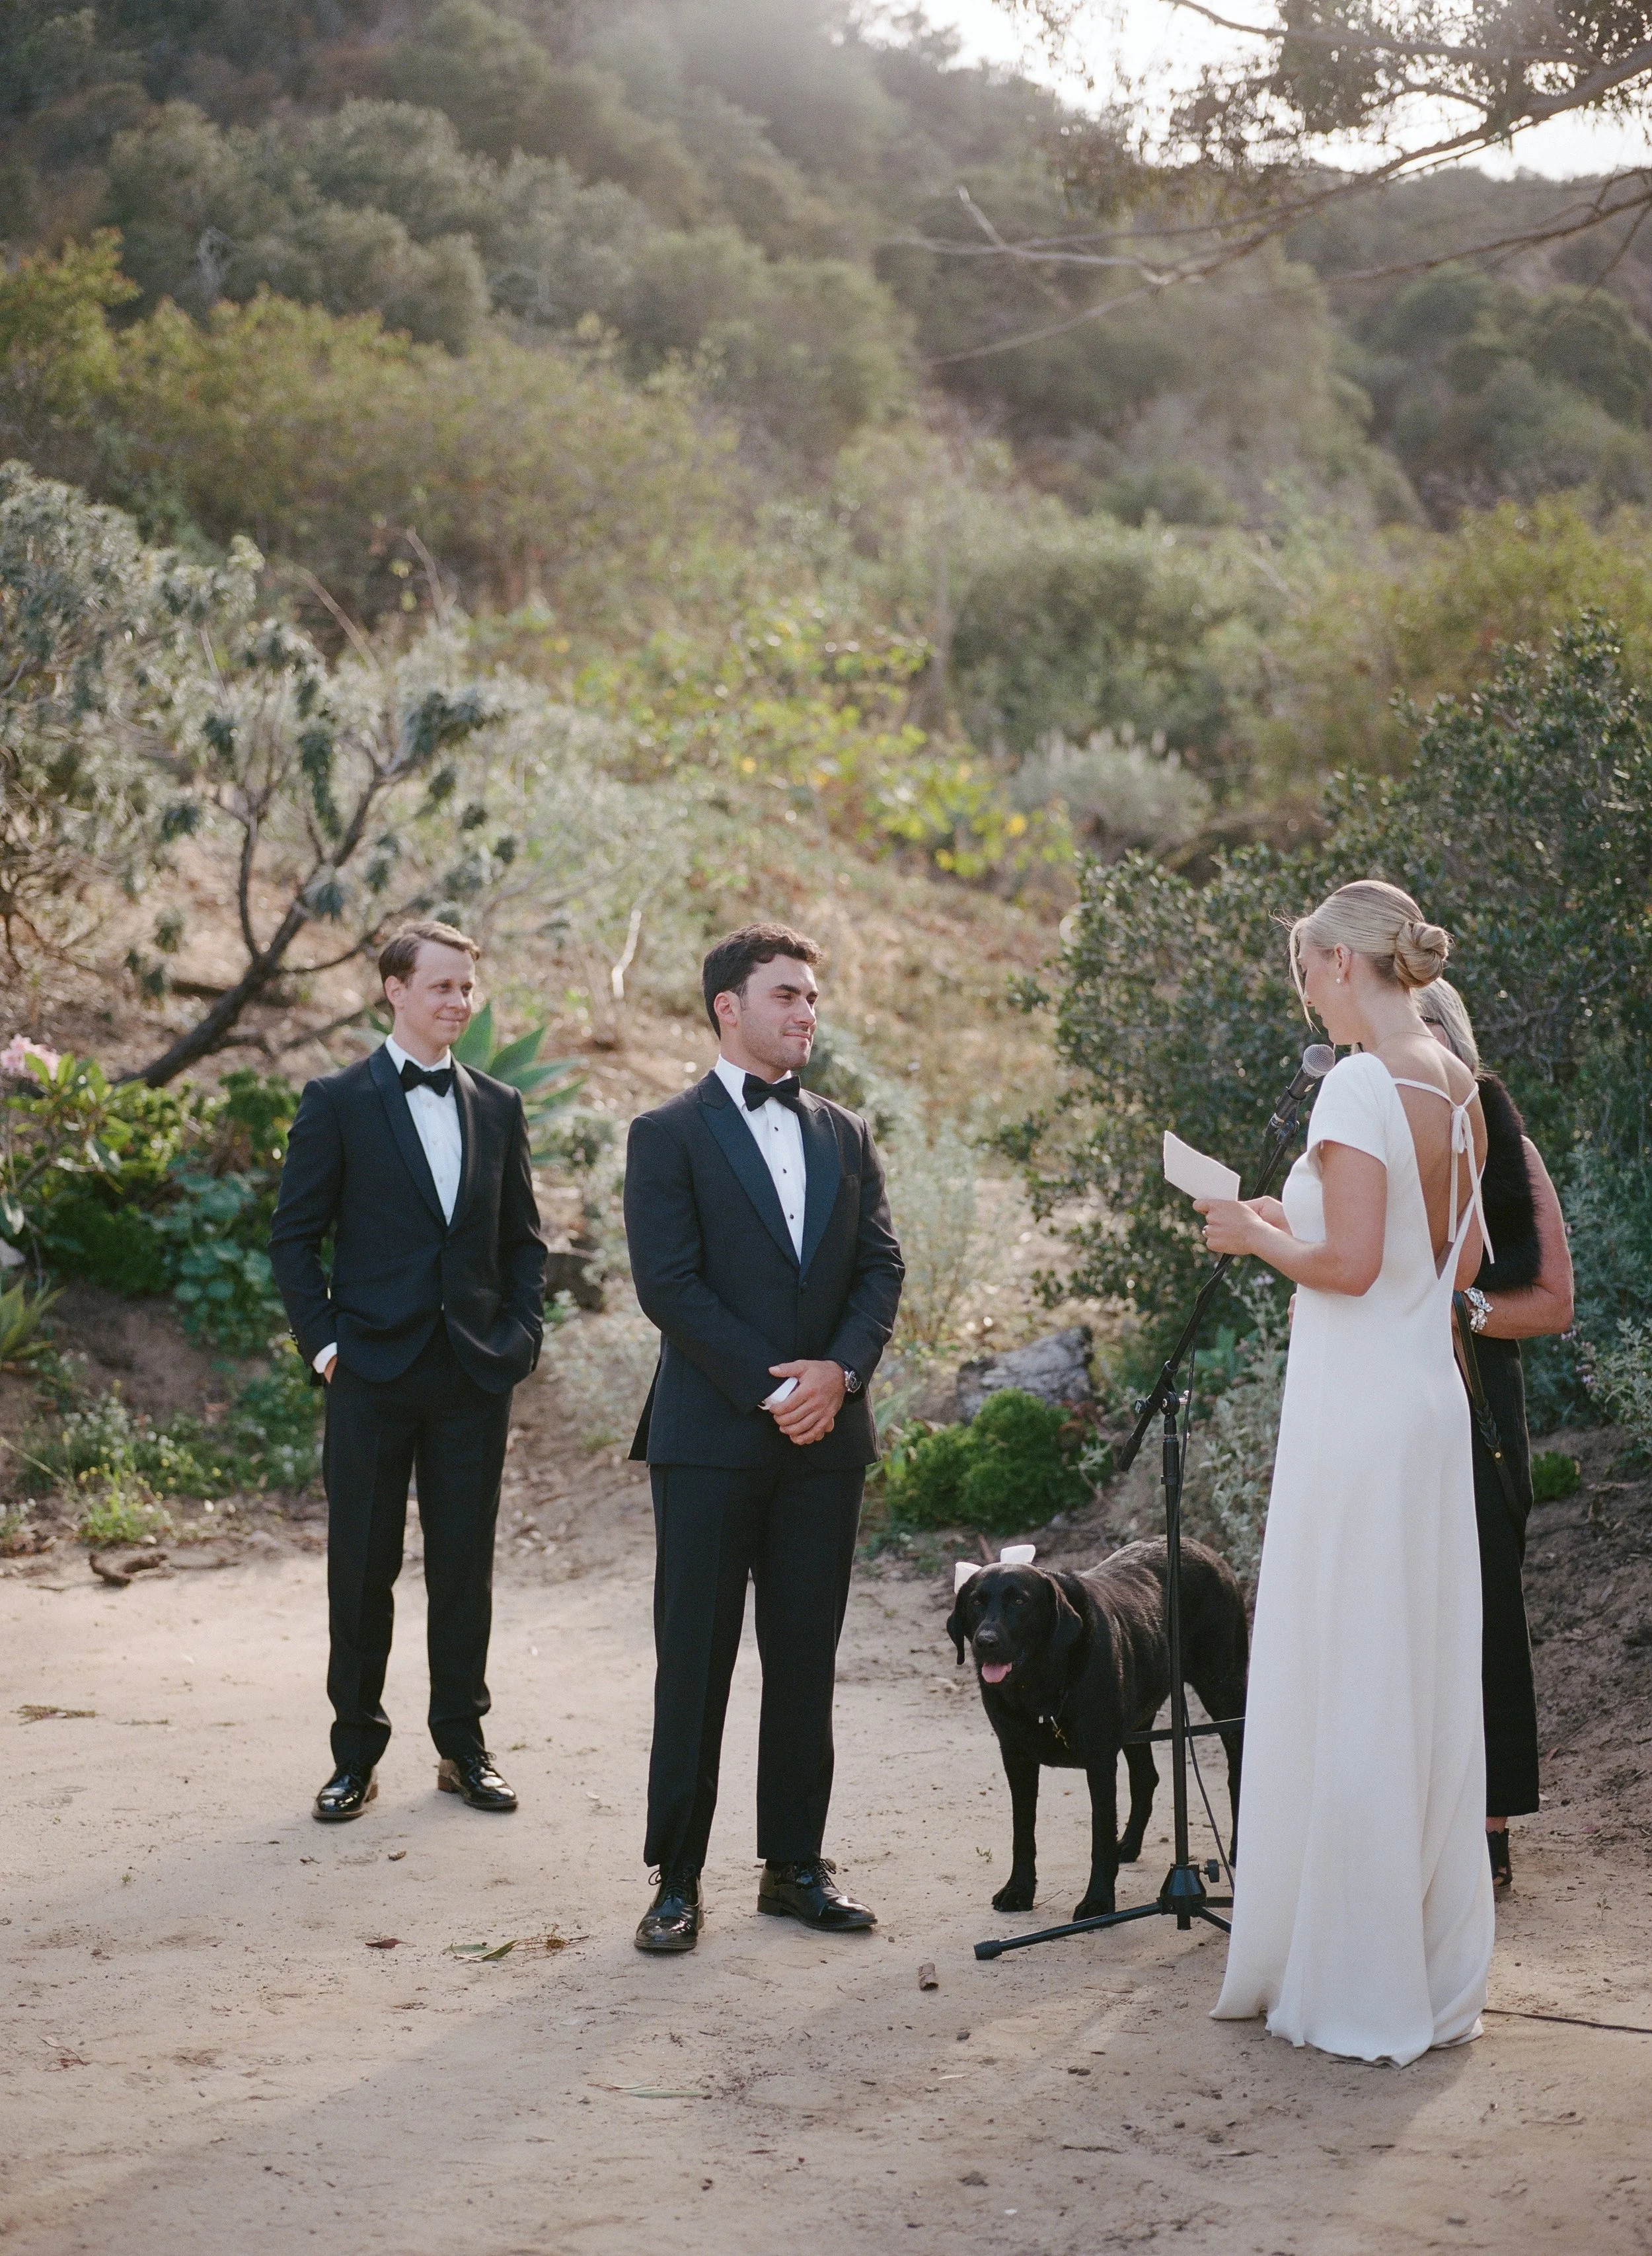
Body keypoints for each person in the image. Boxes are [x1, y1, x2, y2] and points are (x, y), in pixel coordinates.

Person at [1201, 879, 1495, 2064]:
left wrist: (1255, 1230)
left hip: (1358, 1419)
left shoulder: (1363, 1082)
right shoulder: (1458, 1083)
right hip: (1425, 1400)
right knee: (1412, 1674)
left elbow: (1353, 1262)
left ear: (1335, 961)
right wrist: (1306, 1224)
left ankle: (1354, 1974)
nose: (1307, 998)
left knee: (1352, 1671)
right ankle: (1423, 1960)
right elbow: (1457, 1255)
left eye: (1304, 973)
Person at [622, 923, 904, 1953]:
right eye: (786, 994)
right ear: (727, 1007)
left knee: (803, 1659)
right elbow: (670, 1285)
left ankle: (794, 1866)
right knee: (693, 1658)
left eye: (814, 998)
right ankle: (676, 1878)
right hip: (709, 1436)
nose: (806, 1013)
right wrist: (772, 1387)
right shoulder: (667, 1131)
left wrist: (839, 1372)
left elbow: (882, 1270)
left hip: (828, 1438)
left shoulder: (847, 1133)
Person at [270, 921, 547, 1824]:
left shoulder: (501, 1104)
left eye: (468, 987)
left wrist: (520, 1338)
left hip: (472, 1374)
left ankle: (463, 1749)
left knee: (463, 1572)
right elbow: (292, 1239)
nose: (460, 1002)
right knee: (361, 1570)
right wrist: (325, 1346)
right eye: (443, 987)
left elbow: (524, 1243)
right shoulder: (337, 1099)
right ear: (394, 989)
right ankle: (355, 1754)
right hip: (371, 1373)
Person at [1417, 978, 1574, 1889]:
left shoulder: (1505, 1145)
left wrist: (1461, 1307)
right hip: (1381, 1414)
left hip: (1475, 1408)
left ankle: (1487, 1828)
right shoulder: (1369, 1147)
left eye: (1431, 1026)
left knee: (1482, 1614)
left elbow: (1552, 1300)